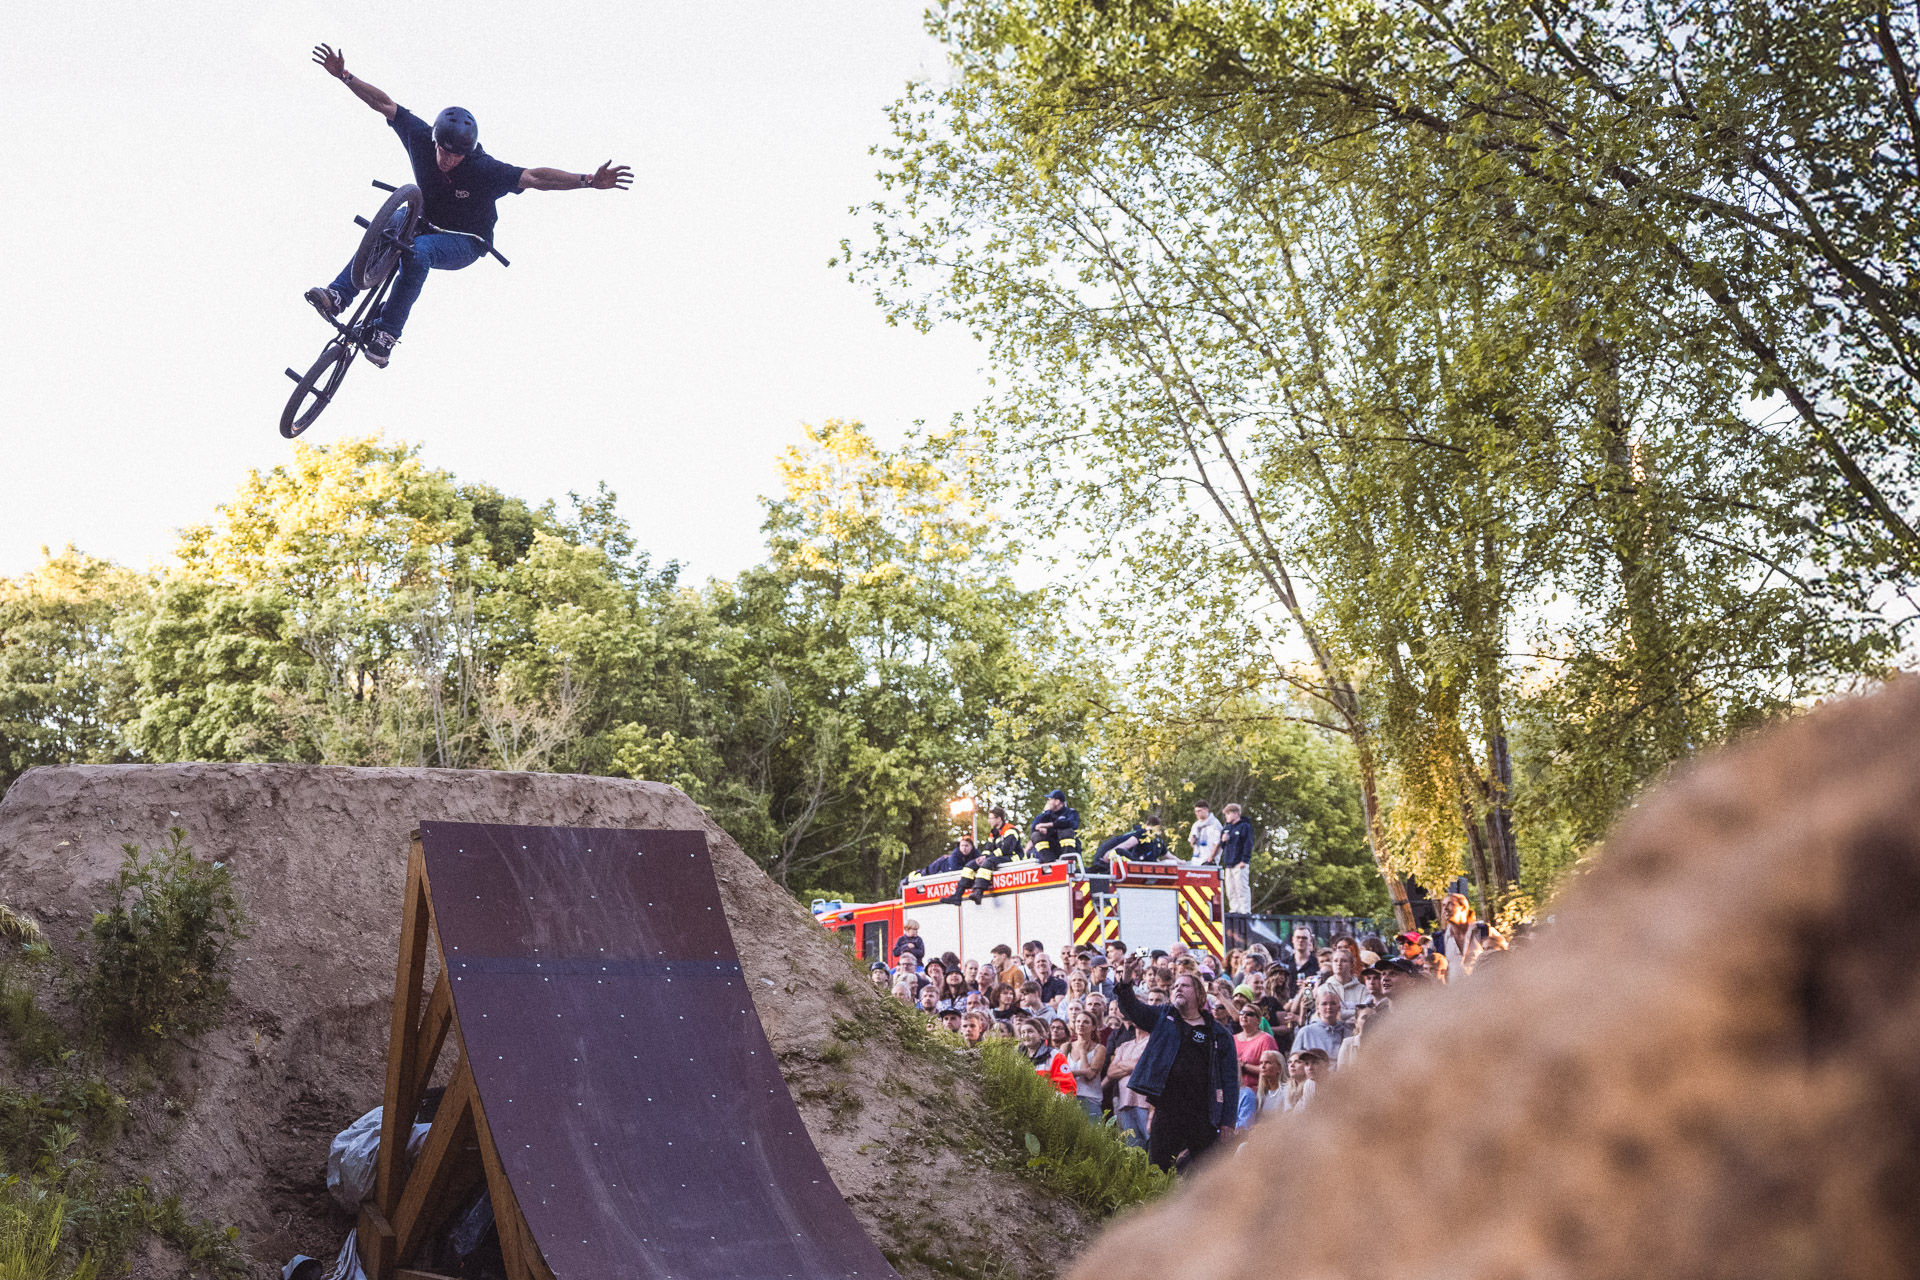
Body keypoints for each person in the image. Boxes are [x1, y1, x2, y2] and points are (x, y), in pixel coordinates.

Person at [305, 44, 632, 367]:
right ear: (434, 140)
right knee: (391, 221)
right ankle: (338, 295)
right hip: (421, 221)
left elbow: (535, 177)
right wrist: (345, 76)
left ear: (468, 152)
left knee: (417, 253)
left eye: (456, 155)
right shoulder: (420, 138)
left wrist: (588, 180)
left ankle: (386, 334)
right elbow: (385, 104)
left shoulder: (485, 170)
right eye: (442, 151)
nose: (447, 159)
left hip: (465, 240)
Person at [1113, 962, 1240, 1172]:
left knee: (1206, 1173)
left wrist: (1228, 1121)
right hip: (1167, 1109)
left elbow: (1230, 1080)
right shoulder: (1163, 1017)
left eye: (1185, 985)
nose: (1178, 988)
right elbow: (1132, 1009)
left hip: (1203, 1113)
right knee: (1157, 1170)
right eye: (1176, 986)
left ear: (1200, 995)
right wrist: (1126, 980)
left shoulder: (1219, 1034)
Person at [1016, 1017, 1076, 1094]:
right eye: (1023, 1032)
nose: (1026, 1035)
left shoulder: (1056, 1056)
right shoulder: (1017, 1058)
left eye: (1030, 1031)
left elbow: (1067, 1088)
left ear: (1041, 1034)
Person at [1091, 814, 1168, 873]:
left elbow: (1157, 856)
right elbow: (1126, 845)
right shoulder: (1143, 833)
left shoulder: (1154, 840)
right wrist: (1108, 854)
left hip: (1107, 848)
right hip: (1106, 851)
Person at [1293, 986, 1353, 1062]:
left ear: (1339, 1007)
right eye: (1324, 1004)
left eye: (1333, 1003)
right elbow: (1295, 1059)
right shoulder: (1306, 1032)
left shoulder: (1347, 1031)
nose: (1329, 1007)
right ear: (1317, 1008)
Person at [1216, 803, 1255, 914]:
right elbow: (1222, 845)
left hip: (1240, 862)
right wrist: (1223, 840)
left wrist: (1245, 860)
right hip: (1229, 863)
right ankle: (1234, 909)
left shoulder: (1245, 827)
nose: (1226, 817)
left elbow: (1248, 844)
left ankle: (1245, 910)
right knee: (1230, 888)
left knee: (1241, 887)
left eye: (1228, 814)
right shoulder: (1227, 828)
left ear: (1235, 814)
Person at [1232, 1002, 1279, 1090]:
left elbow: (1272, 1069)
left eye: (1249, 1014)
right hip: (1235, 1090)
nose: (1244, 1016)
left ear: (1258, 1020)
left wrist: (1244, 1066)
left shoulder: (1266, 1039)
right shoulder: (1232, 1039)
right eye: (1241, 1013)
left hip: (1258, 1090)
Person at [1028, 790, 1082, 864]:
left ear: (1057, 802)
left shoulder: (1070, 812)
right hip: (1051, 849)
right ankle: (1048, 861)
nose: (1048, 802)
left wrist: (1048, 825)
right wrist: (1045, 813)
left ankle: (1067, 861)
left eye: (1049, 799)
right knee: (1036, 835)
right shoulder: (1046, 815)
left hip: (1066, 850)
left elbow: (1072, 824)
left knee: (1066, 831)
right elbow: (1034, 827)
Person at [1317, 946, 1370, 1018]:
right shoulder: (1324, 989)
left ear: (1352, 965)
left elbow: (1365, 1013)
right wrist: (1355, 1012)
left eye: (1344, 961)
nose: (1339, 963)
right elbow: (1326, 1014)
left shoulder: (1363, 990)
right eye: (1335, 961)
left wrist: (1340, 1013)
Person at [1187, 802, 1222, 867]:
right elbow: (1192, 844)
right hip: (1196, 859)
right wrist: (1193, 840)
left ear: (1206, 810)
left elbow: (1218, 843)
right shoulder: (1196, 825)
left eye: (1199, 811)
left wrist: (1211, 858)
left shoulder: (1215, 824)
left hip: (1208, 860)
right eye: (1195, 811)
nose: (1197, 813)